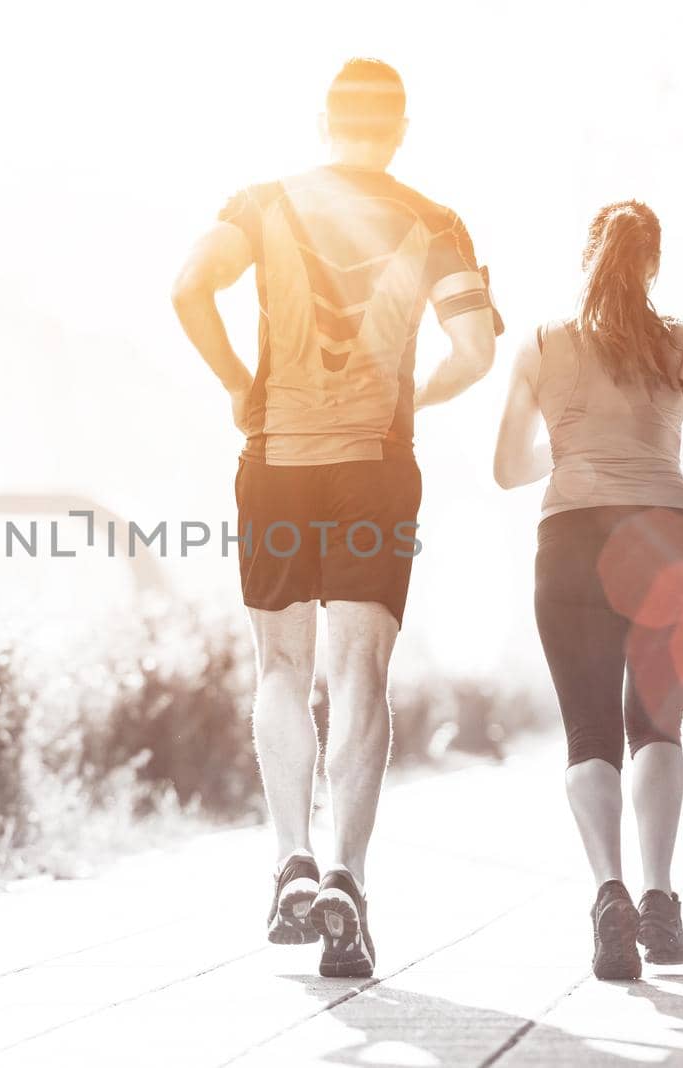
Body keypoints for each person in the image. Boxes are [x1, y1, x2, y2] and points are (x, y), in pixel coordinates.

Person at [170, 58, 500, 978]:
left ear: (325, 122)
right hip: (375, 469)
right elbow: (474, 350)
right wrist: (414, 401)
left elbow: (188, 287)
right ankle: (348, 879)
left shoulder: (263, 202)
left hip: (276, 461)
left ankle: (290, 862)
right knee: (361, 671)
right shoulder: (434, 221)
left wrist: (242, 385)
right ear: (399, 129)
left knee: (282, 664)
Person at [492, 200, 683, 980]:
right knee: (658, 726)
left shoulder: (541, 345)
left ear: (588, 257)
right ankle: (661, 901)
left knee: (589, 735)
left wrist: (567, 453)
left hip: (569, 542)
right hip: (665, 534)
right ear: (653, 264)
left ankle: (610, 896)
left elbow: (504, 468)